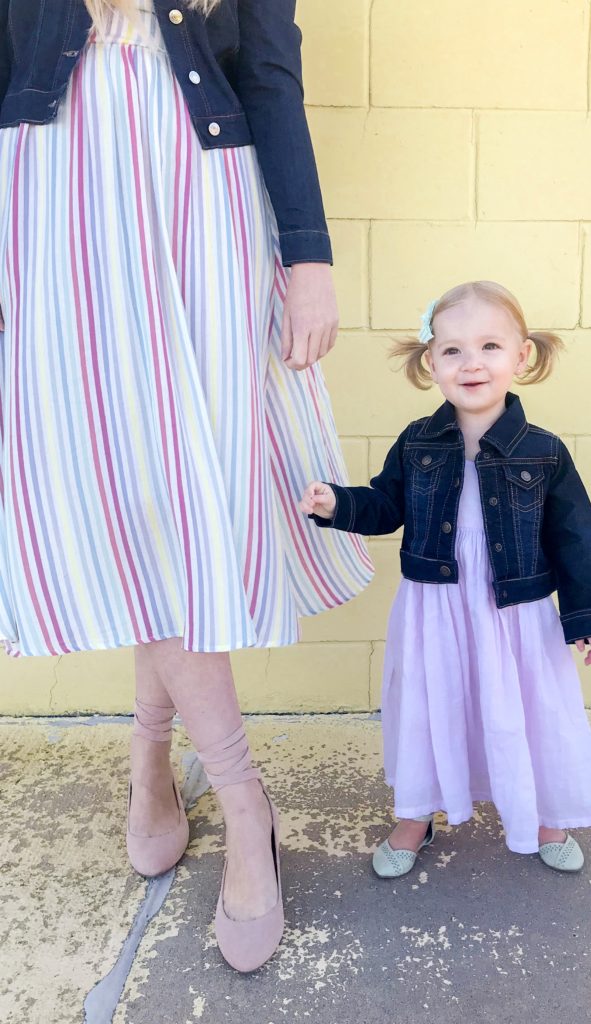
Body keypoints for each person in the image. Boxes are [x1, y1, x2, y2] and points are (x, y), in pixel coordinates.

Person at [0, 0, 372, 972]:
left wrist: (310, 257)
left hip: (201, 193)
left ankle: (163, 761)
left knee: (175, 494)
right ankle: (237, 795)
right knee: (127, 492)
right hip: (54, 192)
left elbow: (270, 76)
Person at [300, 280, 591, 877]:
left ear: (521, 357)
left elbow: (575, 537)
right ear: (431, 363)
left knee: (529, 709)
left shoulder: (543, 452)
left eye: (490, 347)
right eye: (452, 351)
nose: (472, 363)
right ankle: (417, 812)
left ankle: (545, 813)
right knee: (429, 704)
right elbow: (384, 504)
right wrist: (336, 505)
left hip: (515, 613)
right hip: (435, 607)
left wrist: (589, 617)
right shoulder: (418, 443)